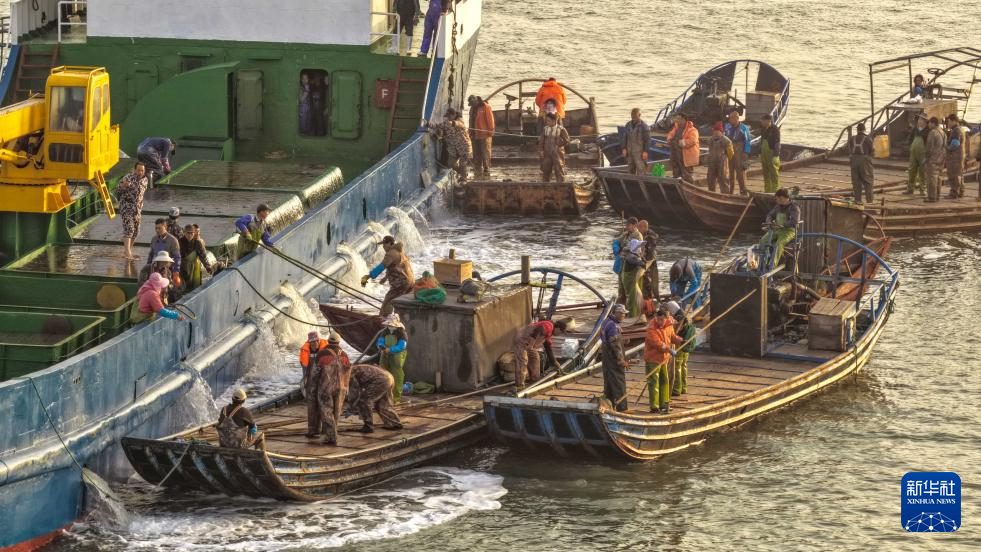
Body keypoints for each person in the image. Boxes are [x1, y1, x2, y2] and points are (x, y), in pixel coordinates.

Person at [310, 332, 352, 444]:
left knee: (327, 411)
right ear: (339, 342)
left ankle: (331, 437)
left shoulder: (322, 354)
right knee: (336, 412)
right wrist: (346, 388)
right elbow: (348, 372)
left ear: (328, 341)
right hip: (341, 388)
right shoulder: (344, 355)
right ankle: (330, 434)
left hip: (326, 388)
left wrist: (312, 389)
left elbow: (315, 374)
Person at [362, 235, 415, 316]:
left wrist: (367, 277)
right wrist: (385, 277)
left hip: (401, 284)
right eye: (382, 244)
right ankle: (399, 319)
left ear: (390, 243)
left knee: (388, 301)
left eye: (385, 244)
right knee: (400, 304)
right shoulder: (400, 252)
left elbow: (381, 267)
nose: (383, 246)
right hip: (410, 282)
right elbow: (394, 266)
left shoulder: (390, 254)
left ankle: (383, 320)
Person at [511, 318, 571, 388]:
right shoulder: (549, 326)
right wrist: (532, 343)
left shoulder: (549, 335)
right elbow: (538, 330)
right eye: (560, 332)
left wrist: (555, 362)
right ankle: (519, 385)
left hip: (529, 345)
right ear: (557, 328)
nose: (559, 334)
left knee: (535, 357)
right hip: (521, 341)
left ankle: (534, 380)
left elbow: (548, 349)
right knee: (522, 361)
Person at [643, 309, 682, 414]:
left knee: (664, 381)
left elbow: (672, 336)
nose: (659, 321)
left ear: (666, 318)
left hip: (664, 358)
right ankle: (654, 406)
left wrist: (680, 340)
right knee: (653, 382)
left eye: (662, 319)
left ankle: (664, 404)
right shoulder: (651, 328)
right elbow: (657, 343)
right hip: (652, 359)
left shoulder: (669, 325)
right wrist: (669, 349)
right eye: (658, 319)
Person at [346, 363, 404, 433]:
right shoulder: (355, 368)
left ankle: (368, 426)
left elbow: (354, 392)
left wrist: (351, 408)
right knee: (383, 404)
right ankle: (395, 423)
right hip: (388, 377)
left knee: (364, 401)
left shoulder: (349, 373)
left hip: (380, 380)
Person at [760, 188, 801, 269]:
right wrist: (769, 221)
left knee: (779, 244)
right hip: (777, 230)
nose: (778, 200)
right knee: (763, 241)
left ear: (786, 198)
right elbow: (770, 215)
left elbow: (795, 221)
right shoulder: (777, 207)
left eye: (780, 198)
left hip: (789, 231)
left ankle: (772, 265)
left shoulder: (794, 207)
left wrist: (783, 225)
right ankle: (762, 262)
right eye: (777, 198)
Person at [429, 108, 473, 183]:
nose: (448, 118)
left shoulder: (460, 120)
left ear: (454, 115)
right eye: (447, 116)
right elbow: (437, 126)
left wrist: (453, 123)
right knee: (451, 163)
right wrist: (428, 124)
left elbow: (459, 124)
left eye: (449, 116)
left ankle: (464, 179)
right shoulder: (446, 123)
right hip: (453, 149)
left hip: (464, 147)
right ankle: (463, 174)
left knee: (462, 164)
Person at [117, 162, 149, 260]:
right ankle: (127, 253)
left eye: (142, 170)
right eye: (138, 170)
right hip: (127, 207)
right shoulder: (128, 178)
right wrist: (124, 186)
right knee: (129, 229)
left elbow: (141, 194)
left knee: (136, 231)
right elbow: (118, 190)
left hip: (137, 209)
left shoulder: (145, 180)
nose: (140, 172)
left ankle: (128, 250)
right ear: (135, 169)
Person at [299, 330, 329, 436]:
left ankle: (325, 431)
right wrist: (305, 379)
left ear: (318, 341)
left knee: (324, 406)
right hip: (311, 382)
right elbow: (304, 368)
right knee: (311, 407)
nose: (314, 344)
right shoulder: (305, 351)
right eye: (311, 342)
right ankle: (312, 431)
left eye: (315, 341)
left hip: (324, 381)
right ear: (309, 342)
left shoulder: (326, 349)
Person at [600, 304, 628, 412]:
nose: (623, 316)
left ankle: (609, 403)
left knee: (609, 380)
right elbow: (615, 345)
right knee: (618, 381)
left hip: (606, 355)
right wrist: (620, 360)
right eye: (622, 314)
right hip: (613, 357)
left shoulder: (606, 321)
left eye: (624, 314)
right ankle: (622, 408)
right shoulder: (614, 327)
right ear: (615, 313)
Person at [376, 313, 408, 403]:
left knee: (396, 375)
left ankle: (396, 398)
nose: (390, 326)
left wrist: (390, 349)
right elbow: (380, 341)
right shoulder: (385, 331)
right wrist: (381, 346)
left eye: (392, 325)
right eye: (389, 325)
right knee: (383, 373)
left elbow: (402, 346)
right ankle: (383, 397)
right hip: (385, 354)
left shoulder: (401, 333)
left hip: (397, 356)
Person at [613, 217, 643, 303]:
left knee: (628, 287)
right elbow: (617, 241)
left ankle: (628, 304)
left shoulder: (638, 236)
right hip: (622, 263)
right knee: (621, 286)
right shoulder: (626, 234)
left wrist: (621, 250)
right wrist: (615, 245)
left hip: (630, 265)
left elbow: (631, 249)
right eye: (626, 225)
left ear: (634, 225)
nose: (626, 227)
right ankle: (621, 303)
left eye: (628, 225)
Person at [178, 225, 213, 292]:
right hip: (182, 268)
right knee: (182, 288)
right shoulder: (179, 242)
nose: (190, 235)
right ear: (184, 232)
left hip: (194, 268)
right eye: (188, 233)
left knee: (195, 287)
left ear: (194, 233)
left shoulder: (197, 243)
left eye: (192, 233)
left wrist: (207, 266)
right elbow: (176, 256)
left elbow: (203, 256)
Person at [666, 112, 699, 182]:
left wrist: (681, 142)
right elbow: (670, 134)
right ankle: (677, 183)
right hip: (675, 153)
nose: (677, 120)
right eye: (677, 118)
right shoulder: (676, 127)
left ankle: (689, 185)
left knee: (686, 173)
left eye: (679, 119)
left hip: (686, 155)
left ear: (684, 119)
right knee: (676, 170)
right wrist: (669, 139)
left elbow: (692, 141)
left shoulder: (692, 130)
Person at [468, 95, 496, 178]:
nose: (472, 105)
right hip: (474, 133)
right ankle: (477, 167)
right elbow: (470, 120)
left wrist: (491, 131)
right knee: (476, 152)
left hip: (484, 134)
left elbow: (490, 120)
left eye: (473, 103)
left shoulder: (486, 107)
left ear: (476, 101)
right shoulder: (472, 108)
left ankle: (486, 168)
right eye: (471, 104)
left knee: (485, 152)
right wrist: (470, 131)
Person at [725, 111, 752, 195]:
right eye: (729, 118)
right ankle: (730, 192)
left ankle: (743, 192)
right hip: (729, 151)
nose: (730, 120)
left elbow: (747, 140)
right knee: (730, 173)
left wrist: (746, 152)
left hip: (740, 151)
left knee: (740, 174)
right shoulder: (727, 126)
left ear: (737, 118)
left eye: (731, 118)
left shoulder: (744, 128)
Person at [671, 305, 696, 396]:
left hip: (680, 347)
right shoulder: (689, 321)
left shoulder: (679, 320)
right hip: (686, 348)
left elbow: (675, 334)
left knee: (677, 368)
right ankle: (684, 388)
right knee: (684, 366)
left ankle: (677, 389)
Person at [539, 113, 571, 183]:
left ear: (554, 121)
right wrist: (541, 150)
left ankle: (560, 184)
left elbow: (567, 140)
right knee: (546, 169)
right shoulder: (545, 129)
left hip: (557, 153)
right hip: (547, 153)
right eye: (546, 121)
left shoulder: (561, 129)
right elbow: (541, 141)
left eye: (548, 121)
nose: (547, 122)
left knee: (558, 169)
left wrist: (558, 144)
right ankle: (545, 184)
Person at [849, 123, 875, 204]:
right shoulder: (868, 139)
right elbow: (872, 152)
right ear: (864, 129)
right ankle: (869, 202)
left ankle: (858, 201)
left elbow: (849, 149)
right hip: (864, 162)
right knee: (868, 181)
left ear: (857, 130)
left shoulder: (852, 139)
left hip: (853, 161)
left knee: (856, 182)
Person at [620, 239, 646, 318]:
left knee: (635, 297)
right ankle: (631, 316)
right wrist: (642, 263)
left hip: (633, 279)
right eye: (639, 247)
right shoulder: (631, 257)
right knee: (631, 298)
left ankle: (635, 314)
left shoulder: (635, 256)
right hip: (629, 280)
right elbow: (637, 262)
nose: (640, 249)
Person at [622, 108, 650, 175]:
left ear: (639, 115)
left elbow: (647, 140)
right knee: (630, 170)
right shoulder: (628, 125)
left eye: (635, 115)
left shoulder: (644, 126)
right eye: (632, 115)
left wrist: (645, 151)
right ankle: (631, 181)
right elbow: (624, 138)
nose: (633, 116)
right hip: (630, 152)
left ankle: (642, 181)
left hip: (639, 153)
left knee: (641, 170)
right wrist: (624, 148)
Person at [924, 116, 946, 203]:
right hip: (941, 158)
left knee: (931, 178)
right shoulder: (943, 132)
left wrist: (926, 158)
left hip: (933, 158)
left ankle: (931, 197)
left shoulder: (933, 132)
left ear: (933, 123)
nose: (928, 125)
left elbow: (929, 147)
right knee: (939, 177)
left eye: (929, 123)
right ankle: (937, 196)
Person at [706, 122, 733, 193]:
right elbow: (709, 150)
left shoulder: (726, 140)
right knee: (710, 177)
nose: (716, 133)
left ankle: (725, 194)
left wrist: (726, 159)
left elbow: (730, 153)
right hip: (712, 161)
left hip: (722, 161)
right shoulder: (710, 140)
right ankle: (711, 192)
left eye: (717, 131)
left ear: (721, 132)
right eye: (714, 131)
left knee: (723, 178)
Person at [905, 115, 928, 195]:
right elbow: (910, 139)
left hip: (923, 154)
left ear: (925, 122)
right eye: (918, 120)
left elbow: (929, 143)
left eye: (921, 120)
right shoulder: (915, 129)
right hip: (913, 153)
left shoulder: (928, 130)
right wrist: (910, 146)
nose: (919, 121)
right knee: (912, 171)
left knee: (923, 172)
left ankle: (923, 190)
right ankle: (910, 189)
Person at [637, 220, 659, 300]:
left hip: (650, 262)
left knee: (649, 282)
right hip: (643, 262)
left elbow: (645, 248)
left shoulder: (650, 237)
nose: (638, 229)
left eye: (639, 227)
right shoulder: (641, 235)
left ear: (644, 227)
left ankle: (650, 299)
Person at [759, 114, 781, 193]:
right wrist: (760, 153)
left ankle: (775, 191)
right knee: (765, 173)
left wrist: (776, 155)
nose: (761, 122)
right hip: (764, 154)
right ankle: (767, 190)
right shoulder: (763, 129)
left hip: (772, 154)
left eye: (763, 121)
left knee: (774, 174)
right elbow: (762, 141)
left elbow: (777, 143)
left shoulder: (775, 129)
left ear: (768, 121)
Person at [945, 114, 965, 199]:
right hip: (960, 155)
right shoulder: (961, 129)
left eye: (949, 121)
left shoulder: (956, 130)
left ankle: (954, 193)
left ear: (953, 121)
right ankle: (961, 191)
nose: (948, 123)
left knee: (954, 174)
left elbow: (955, 144)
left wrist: (947, 148)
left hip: (954, 156)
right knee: (959, 174)